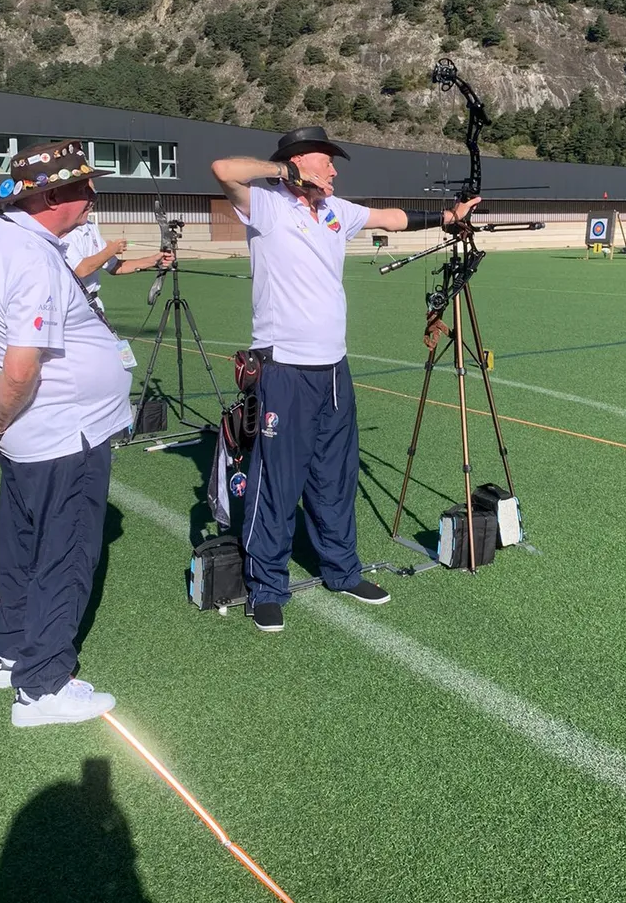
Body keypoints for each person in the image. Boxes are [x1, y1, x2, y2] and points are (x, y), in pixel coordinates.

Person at [211, 125, 479, 632]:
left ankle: (342, 570)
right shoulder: (267, 204)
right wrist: (284, 172)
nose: (334, 170)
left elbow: (391, 218)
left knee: (335, 478)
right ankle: (266, 586)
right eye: (326, 161)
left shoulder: (336, 210)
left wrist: (449, 217)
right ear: (298, 163)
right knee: (277, 483)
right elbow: (223, 170)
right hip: (284, 368)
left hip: (334, 368)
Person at [0, 140, 133, 727]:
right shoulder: (32, 256)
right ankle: (42, 687)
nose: (92, 195)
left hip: (29, 434)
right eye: (83, 186)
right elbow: (22, 363)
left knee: (21, 546)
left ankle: (12, 652)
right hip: (63, 433)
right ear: (53, 196)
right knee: (65, 554)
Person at [63, 215, 173, 310]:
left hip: (93, 303)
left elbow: (115, 266)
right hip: (71, 305)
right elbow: (81, 270)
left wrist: (154, 261)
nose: (91, 203)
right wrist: (110, 250)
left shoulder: (90, 226)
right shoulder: (62, 230)